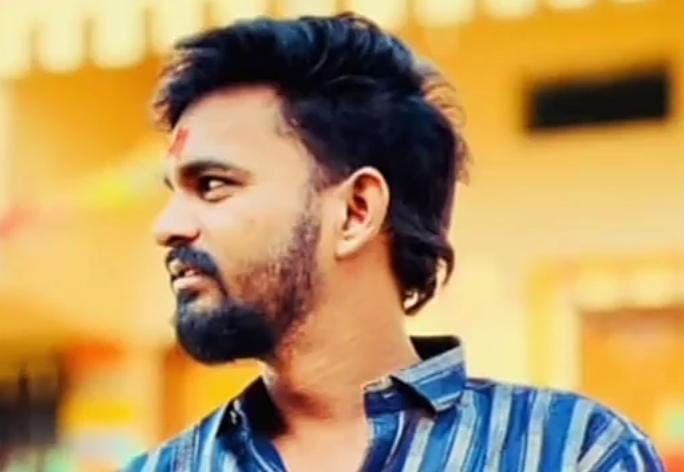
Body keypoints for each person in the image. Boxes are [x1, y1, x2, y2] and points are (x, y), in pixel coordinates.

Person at [125, 13, 663, 471]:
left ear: (356, 211)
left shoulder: (572, 453)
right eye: (174, 192)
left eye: (212, 185)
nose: (167, 226)